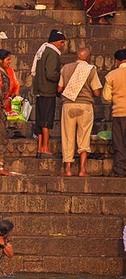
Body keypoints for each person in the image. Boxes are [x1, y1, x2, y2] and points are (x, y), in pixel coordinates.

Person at [57, 47, 102, 177]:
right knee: (84, 137)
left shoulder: (65, 68)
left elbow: (59, 89)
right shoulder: (90, 69)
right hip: (85, 106)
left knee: (67, 137)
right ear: (88, 58)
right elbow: (96, 92)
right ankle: (82, 170)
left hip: (68, 106)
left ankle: (68, 170)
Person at [32, 30, 66, 158]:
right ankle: (46, 148)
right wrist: (61, 76)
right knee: (46, 121)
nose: (63, 45)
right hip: (48, 91)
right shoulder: (52, 53)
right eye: (61, 42)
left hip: (40, 91)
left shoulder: (44, 51)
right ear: (55, 41)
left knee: (40, 120)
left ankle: (40, 148)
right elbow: (51, 74)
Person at [103, 49, 126, 177]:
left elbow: (106, 96)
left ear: (117, 61)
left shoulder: (112, 75)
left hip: (119, 113)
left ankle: (120, 169)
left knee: (119, 143)